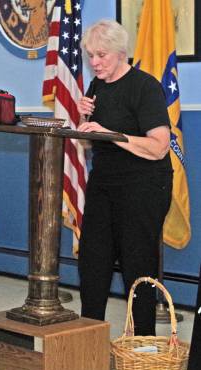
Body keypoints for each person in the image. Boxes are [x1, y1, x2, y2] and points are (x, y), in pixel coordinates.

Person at [76, 20, 173, 336]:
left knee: (137, 263)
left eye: (101, 55)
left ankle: (144, 341)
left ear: (120, 52)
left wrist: (112, 134)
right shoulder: (97, 87)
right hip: (105, 182)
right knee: (93, 261)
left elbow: (159, 148)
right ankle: (88, 341)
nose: (94, 63)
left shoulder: (145, 87)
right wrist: (83, 118)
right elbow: (89, 141)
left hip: (144, 184)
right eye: (90, 55)